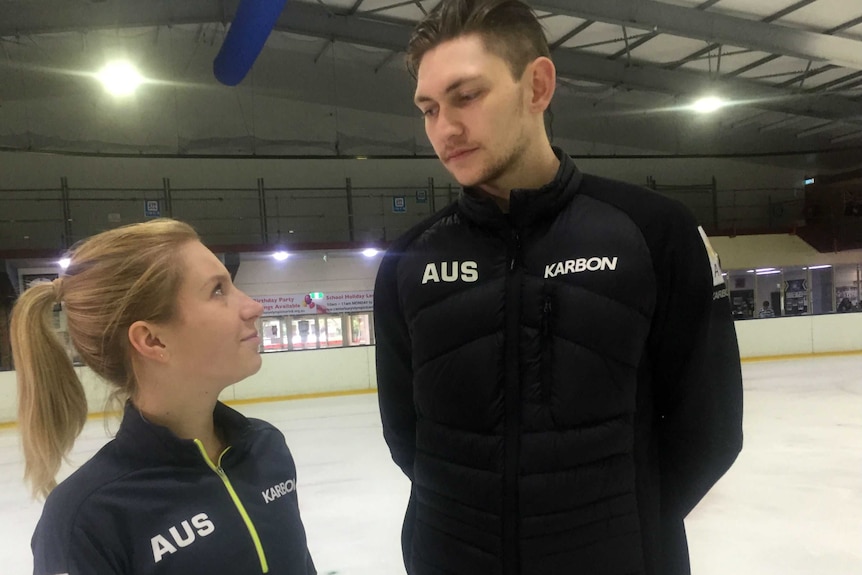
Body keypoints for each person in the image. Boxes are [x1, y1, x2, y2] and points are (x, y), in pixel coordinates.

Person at [373, 1, 744, 574]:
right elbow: (406, 433)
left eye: (466, 96)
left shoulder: (653, 231)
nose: (444, 128)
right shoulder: (409, 260)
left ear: (538, 86)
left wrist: (615, 531)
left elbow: (710, 427)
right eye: (428, 108)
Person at [11, 219, 316, 575]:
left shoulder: (267, 449)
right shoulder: (87, 520)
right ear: (152, 341)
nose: (253, 307)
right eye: (218, 290)